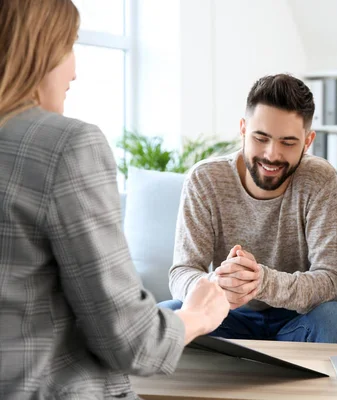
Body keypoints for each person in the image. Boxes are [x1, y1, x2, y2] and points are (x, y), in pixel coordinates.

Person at [0, 1, 230, 398]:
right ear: (38, 49)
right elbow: (131, 340)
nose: (75, 70)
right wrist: (200, 313)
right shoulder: (66, 145)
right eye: (69, 45)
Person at [160, 74, 337, 343]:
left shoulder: (320, 179)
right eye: (261, 138)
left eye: (288, 142)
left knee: (335, 318)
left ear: (308, 142)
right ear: (243, 129)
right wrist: (219, 285)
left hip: (297, 320)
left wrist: (262, 282)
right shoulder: (205, 179)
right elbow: (182, 272)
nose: (272, 154)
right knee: (166, 316)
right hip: (225, 315)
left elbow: (333, 281)